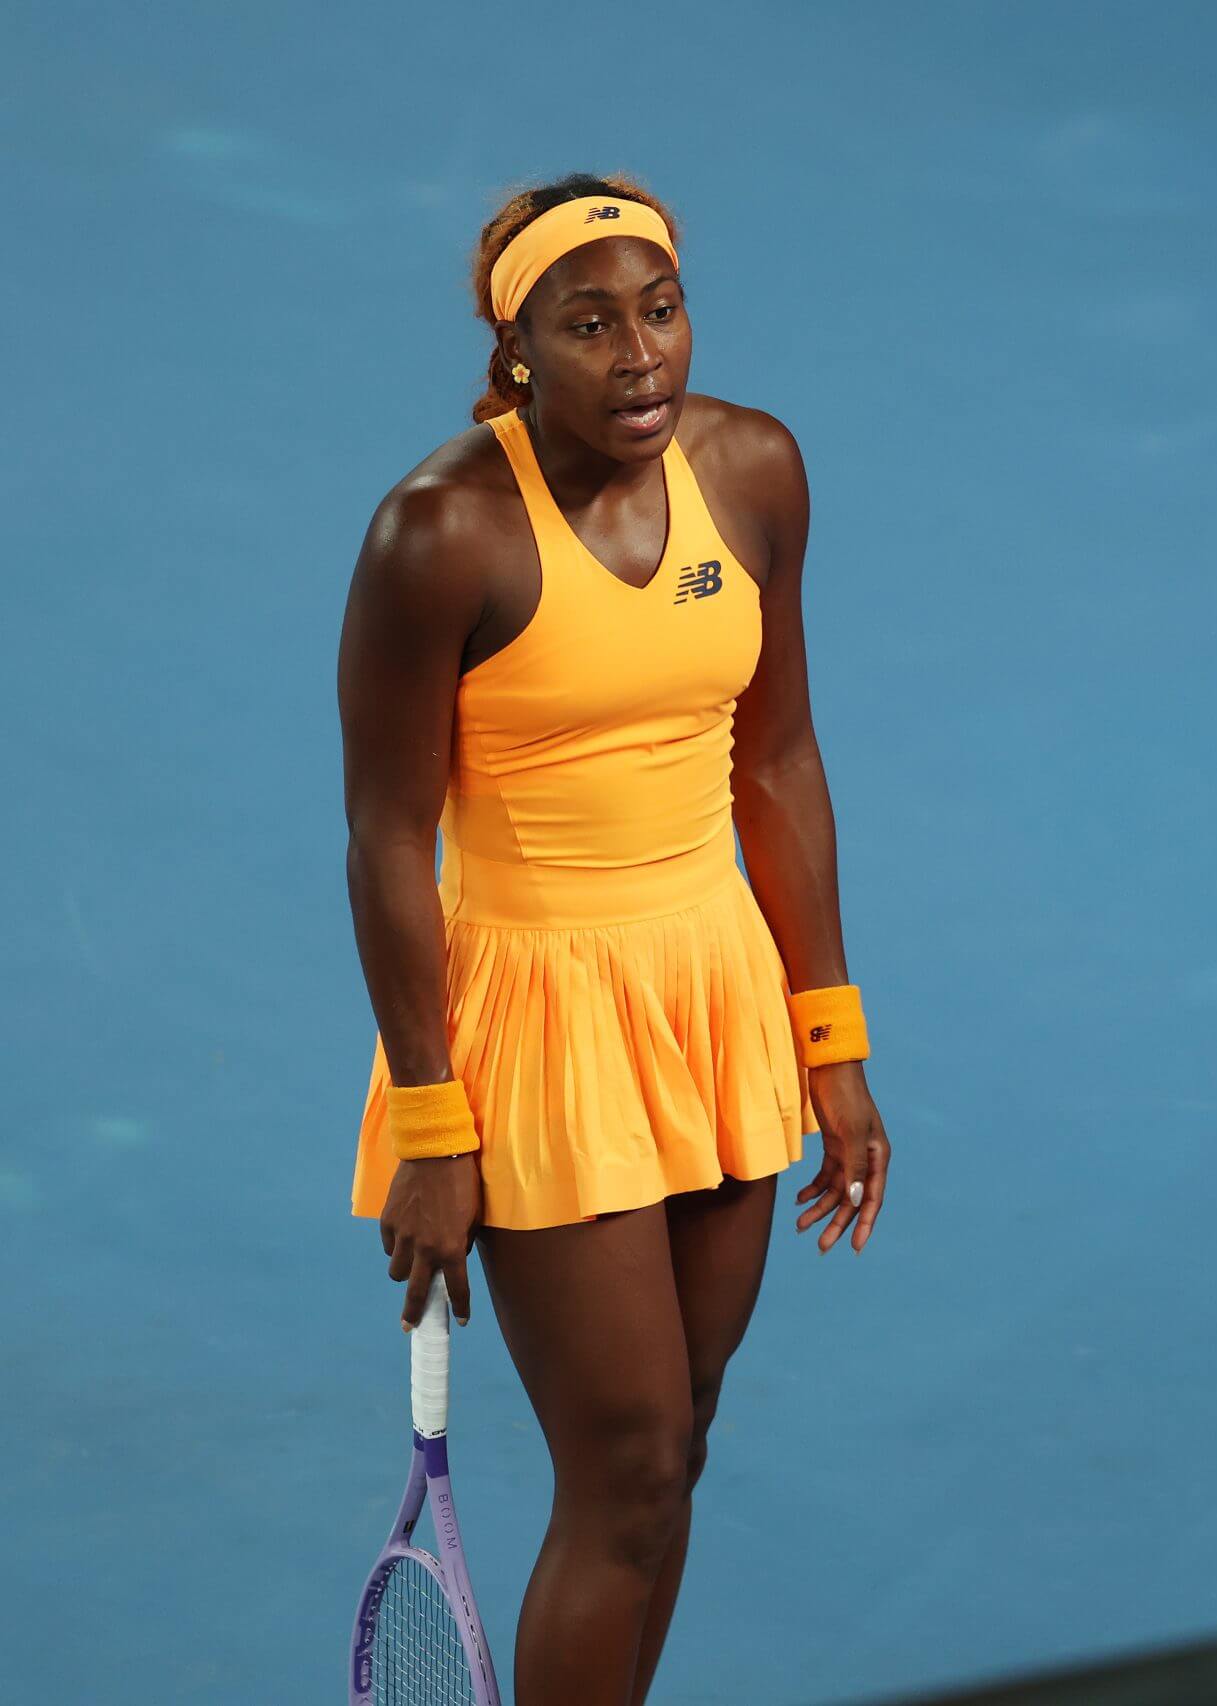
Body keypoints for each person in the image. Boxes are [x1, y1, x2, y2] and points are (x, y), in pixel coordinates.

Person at [340, 173, 892, 1705]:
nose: (641, 354)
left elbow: (777, 758)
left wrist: (828, 1035)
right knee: (631, 1465)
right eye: (589, 324)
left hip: (714, 990)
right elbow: (387, 837)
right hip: (537, 1021)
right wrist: (433, 1123)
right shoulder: (438, 534)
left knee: (682, 1438)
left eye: (659, 309)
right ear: (518, 352)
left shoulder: (755, 468)